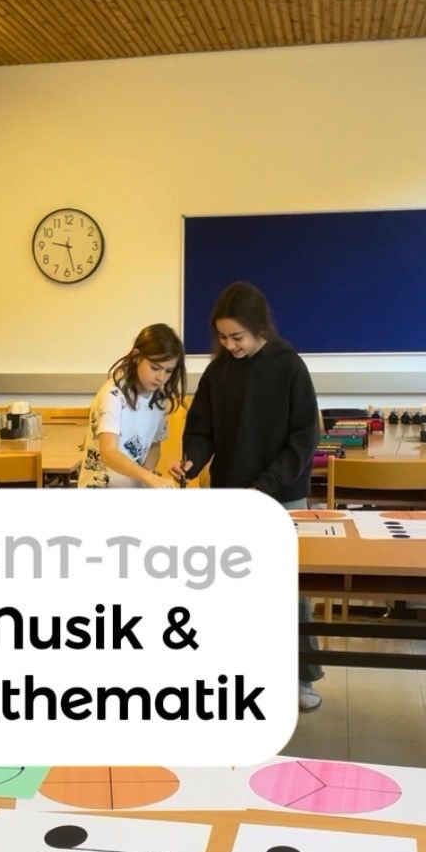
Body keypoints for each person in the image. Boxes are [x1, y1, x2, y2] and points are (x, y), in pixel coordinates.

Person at [173, 281, 323, 712]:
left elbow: (304, 438)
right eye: (222, 337)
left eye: (236, 336)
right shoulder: (219, 372)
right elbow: (201, 429)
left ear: (259, 327)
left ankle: (298, 677)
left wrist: (265, 486)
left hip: (281, 495)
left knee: (288, 592)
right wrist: (191, 462)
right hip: (230, 496)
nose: (229, 345)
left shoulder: (288, 365)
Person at [78, 324, 185, 488]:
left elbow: (155, 445)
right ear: (136, 356)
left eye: (168, 371)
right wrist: (148, 477)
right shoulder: (112, 395)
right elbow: (109, 452)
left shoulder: (159, 399)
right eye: (155, 368)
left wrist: (148, 474)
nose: (161, 377)